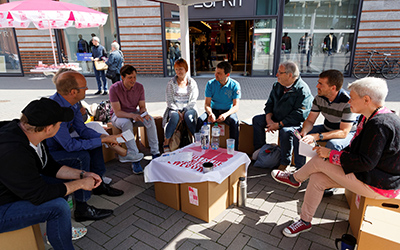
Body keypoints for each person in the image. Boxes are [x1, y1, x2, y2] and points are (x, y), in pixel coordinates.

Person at [271, 77, 400, 238]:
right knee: (317, 178)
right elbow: (356, 152)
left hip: (379, 184)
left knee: (319, 161)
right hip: (367, 175)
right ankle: (305, 221)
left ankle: (295, 178)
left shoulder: (379, 124)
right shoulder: (371, 117)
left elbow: (366, 162)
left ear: (366, 100)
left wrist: (331, 155)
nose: (349, 101)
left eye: (352, 98)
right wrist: (333, 156)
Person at [0, 98, 102, 249]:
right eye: (60, 124)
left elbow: (49, 167)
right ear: (48, 128)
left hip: (14, 190)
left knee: (60, 188)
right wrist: (80, 184)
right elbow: (39, 194)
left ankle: (59, 230)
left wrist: (82, 175)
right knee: (58, 207)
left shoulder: (32, 133)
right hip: (3, 205)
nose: (61, 126)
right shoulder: (13, 150)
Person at [46, 71, 124, 222]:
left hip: (63, 145)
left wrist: (104, 137)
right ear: (73, 92)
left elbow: (81, 129)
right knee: (82, 156)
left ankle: (98, 184)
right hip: (50, 153)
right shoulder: (55, 110)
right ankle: (82, 208)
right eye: (84, 87)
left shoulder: (74, 102)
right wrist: (101, 140)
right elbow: (69, 146)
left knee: (93, 144)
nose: (87, 90)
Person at [252, 61, 313, 171]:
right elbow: (269, 104)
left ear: (290, 75)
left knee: (285, 131)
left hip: (292, 122)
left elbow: (299, 115)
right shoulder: (277, 85)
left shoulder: (302, 90)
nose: (276, 75)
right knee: (257, 120)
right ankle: (261, 151)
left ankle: (285, 162)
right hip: (276, 117)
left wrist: (279, 125)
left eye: (280, 72)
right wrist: (269, 120)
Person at [110, 65, 160, 174]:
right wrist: (133, 116)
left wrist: (144, 113)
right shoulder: (114, 88)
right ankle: (135, 158)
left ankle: (155, 153)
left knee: (150, 120)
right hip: (118, 116)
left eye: (134, 77)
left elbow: (142, 106)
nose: (133, 80)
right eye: (130, 77)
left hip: (134, 113)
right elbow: (118, 112)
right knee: (126, 123)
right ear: (122, 77)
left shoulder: (139, 87)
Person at [196, 61, 240, 150]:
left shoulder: (235, 85)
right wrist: (210, 113)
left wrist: (225, 115)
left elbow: (236, 106)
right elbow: (207, 104)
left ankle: (234, 150)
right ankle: (198, 146)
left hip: (227, 111)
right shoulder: (210, 84)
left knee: (234, 122)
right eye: (215, 72)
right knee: (200, 120)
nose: (215, 75)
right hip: (213, 110)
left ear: (227, 75)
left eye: (219, 73)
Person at [162, 58, 199, 152]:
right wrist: (178, 110)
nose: (179, 71)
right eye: (177, 69)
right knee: (174, 117)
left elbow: (193, 100)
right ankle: (166, 142)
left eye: (181, 69)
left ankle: (197, 140)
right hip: (174, 108)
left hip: (189, 107)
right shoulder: (171, 83)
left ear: (186, 69)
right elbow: (169, 100)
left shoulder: (192, 83)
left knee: (189, 117)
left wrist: (185, 110)